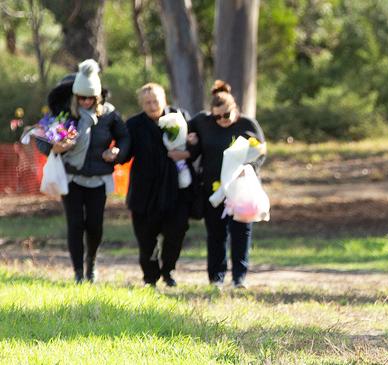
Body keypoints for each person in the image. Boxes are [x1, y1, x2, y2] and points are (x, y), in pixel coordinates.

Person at [37, 59, 130, 283]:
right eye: (81, 98)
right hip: (72, 177)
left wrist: (117, 152)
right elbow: (42, 138)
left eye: (90, 98)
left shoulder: (109, 115)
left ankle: (92, 262)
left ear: (97, 97)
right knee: (76, 223)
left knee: (95, 224)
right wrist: (56, 147)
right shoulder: (64, 114)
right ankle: (79, 272)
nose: (86, 102)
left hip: (98, 177)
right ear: (75, 96)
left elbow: (125, 137)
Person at [187, 80, 266, 289]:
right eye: (217, 116)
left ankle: (239, 278)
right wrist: (190, 139)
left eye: (226, 115)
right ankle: (216, 278)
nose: (221, 120)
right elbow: (185, 133)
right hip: (213, 188)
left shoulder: (248, 124)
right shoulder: (203, 122)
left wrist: (248, 167)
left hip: (241, 189)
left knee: (241, 232)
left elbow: (261, 152)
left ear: (235, 110)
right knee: (216, 234)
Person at [124, 83, 193, 288]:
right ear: (141, 104)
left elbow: (195, 147)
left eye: (156, 101)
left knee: (176, 232)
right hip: (145, 190)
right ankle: (150, 276)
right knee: (146, 237)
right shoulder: (134, 124)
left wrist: (190, 148)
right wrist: (116, 153)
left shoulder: (180, 117)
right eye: (148, 102)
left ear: (164, 100)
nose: (153, 105)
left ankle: (169, 270)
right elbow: (126, 151)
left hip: (175, 187)